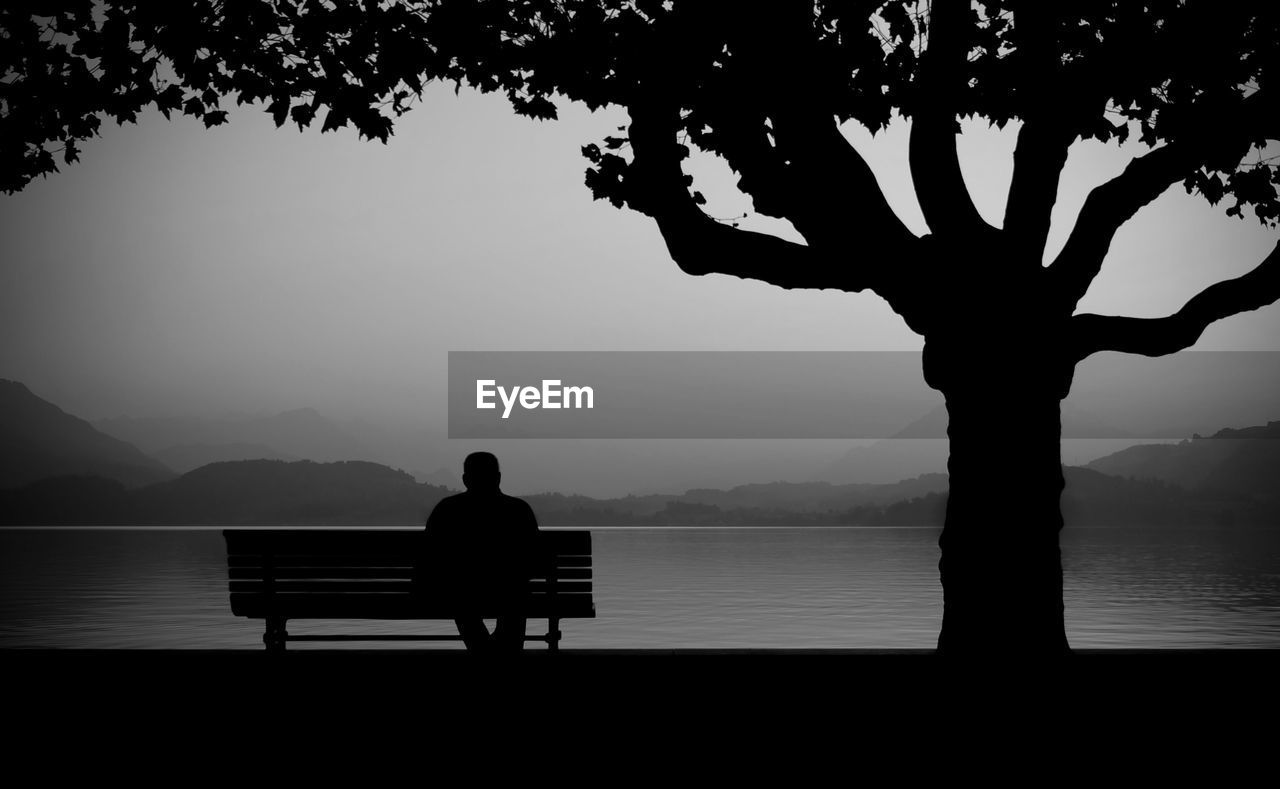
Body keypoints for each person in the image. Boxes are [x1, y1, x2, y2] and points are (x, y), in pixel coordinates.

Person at [418, 451, 540, 653]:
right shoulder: (518, 510)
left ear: (465, 479)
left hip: (460, 593)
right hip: (510, 592)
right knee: (516, 595)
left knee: (460, 593)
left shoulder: (447, 509)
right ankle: (500, 655)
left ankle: (483, 653)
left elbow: (428, 558)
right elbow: (534, 562)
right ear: (498, 477)